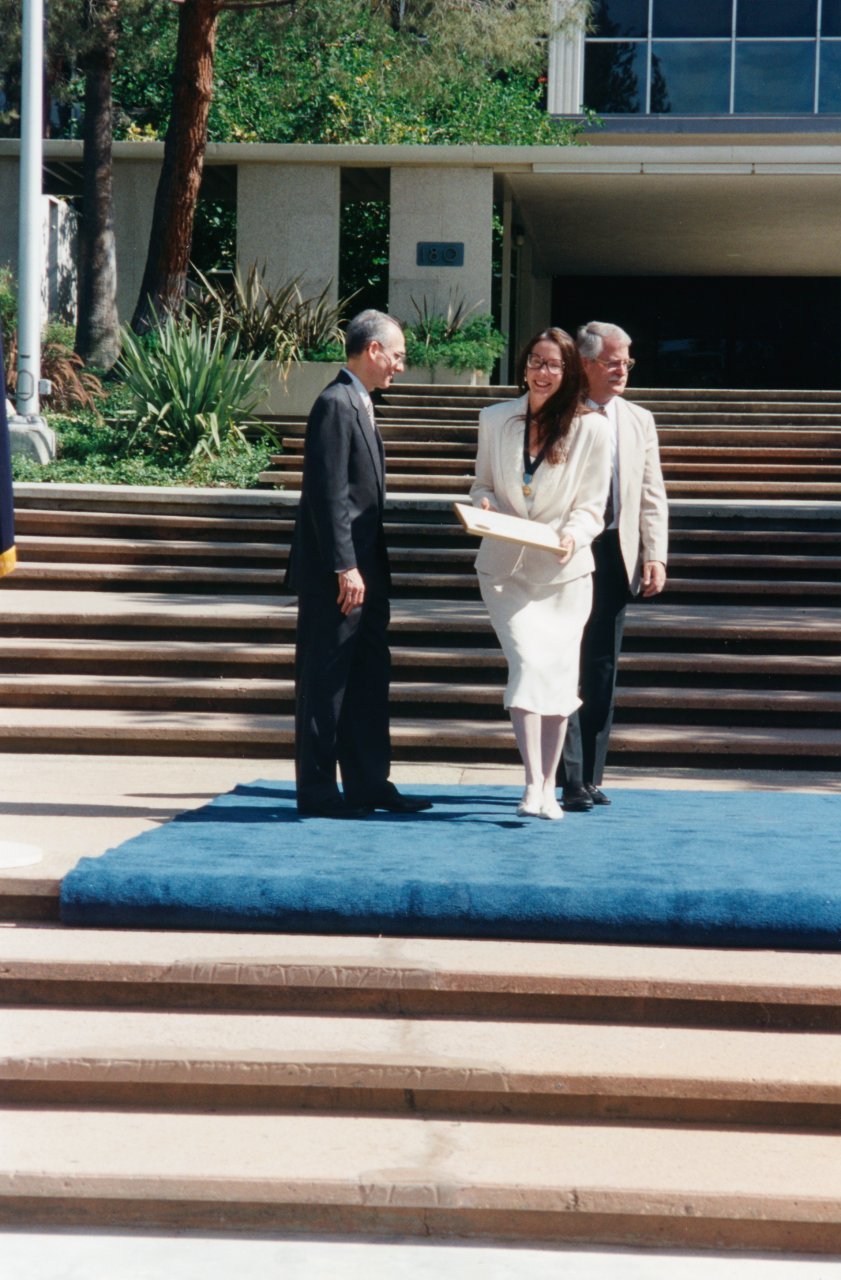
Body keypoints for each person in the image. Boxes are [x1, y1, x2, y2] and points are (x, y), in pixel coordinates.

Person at [286, 309, 432, 818]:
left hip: (366, 574)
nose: (400, 367)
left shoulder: (360, 403)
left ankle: (370, 783)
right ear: (373, 351)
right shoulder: (335, 403)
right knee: (326, 682)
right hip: (338, 576)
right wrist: (344, 568)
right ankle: (320, 791)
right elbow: (327, 497)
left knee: (369, 678)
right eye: (397, 356)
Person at [470, 328, 611, 820]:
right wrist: (482, 502)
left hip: (563, 573)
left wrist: (574, 534)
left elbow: (592, 506)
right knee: (528, 664)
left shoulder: (591, 427)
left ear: (569, 371)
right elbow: (481, 483)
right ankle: (532, 783)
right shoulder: (495, 418)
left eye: (552, 364)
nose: (541, 372)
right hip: (505, 570)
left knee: (557, 675)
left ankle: (549, 787)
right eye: (535, 362)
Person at [559, 321, 669, 812]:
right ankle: (566, 776)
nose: (622, 369)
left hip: (616, 556)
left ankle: (591, 776)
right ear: (585, 364)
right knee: (562, 664)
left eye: (627, 361)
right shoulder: (559, 412)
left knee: (602, 670)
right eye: (613, 361)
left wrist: (655, 554)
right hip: (565, 555)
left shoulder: (639, 419)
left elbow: (651, 493)